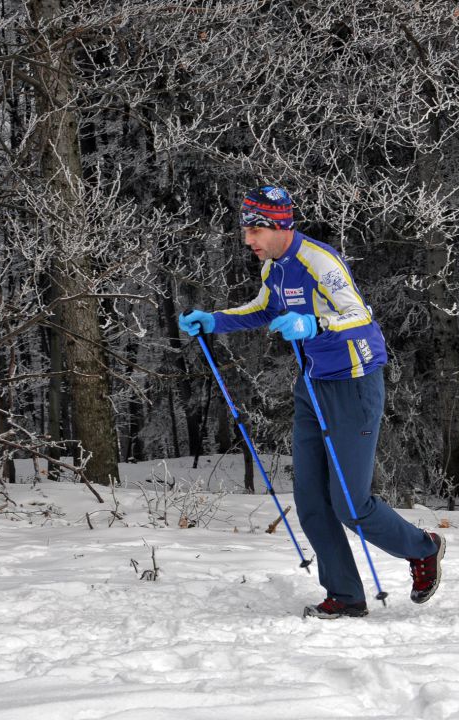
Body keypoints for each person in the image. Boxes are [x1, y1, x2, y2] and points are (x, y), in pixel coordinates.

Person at [179, 186, 445, 619]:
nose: (249, 240)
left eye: (256, 230)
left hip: (354, 383)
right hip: (312, 384)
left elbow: (358, 314)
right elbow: (263, 309)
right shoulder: (274, 268)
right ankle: (344, 595)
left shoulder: (318, 261)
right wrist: (215, 320)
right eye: (246, 230)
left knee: (350, 504)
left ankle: (424, 547)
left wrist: (315, 323)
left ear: (280, 226)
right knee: (311, 501)